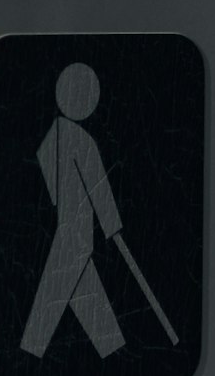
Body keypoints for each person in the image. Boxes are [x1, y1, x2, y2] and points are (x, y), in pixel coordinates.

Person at [21, 59, 173, 357]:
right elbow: (98, 188)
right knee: (54, 299)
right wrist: (111, 224)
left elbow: (59, 184)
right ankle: (36, 351)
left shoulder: (53, 136)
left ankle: (111, 351)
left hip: (73, 231)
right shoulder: (79, 140)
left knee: (80, 295)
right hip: (75, 232)